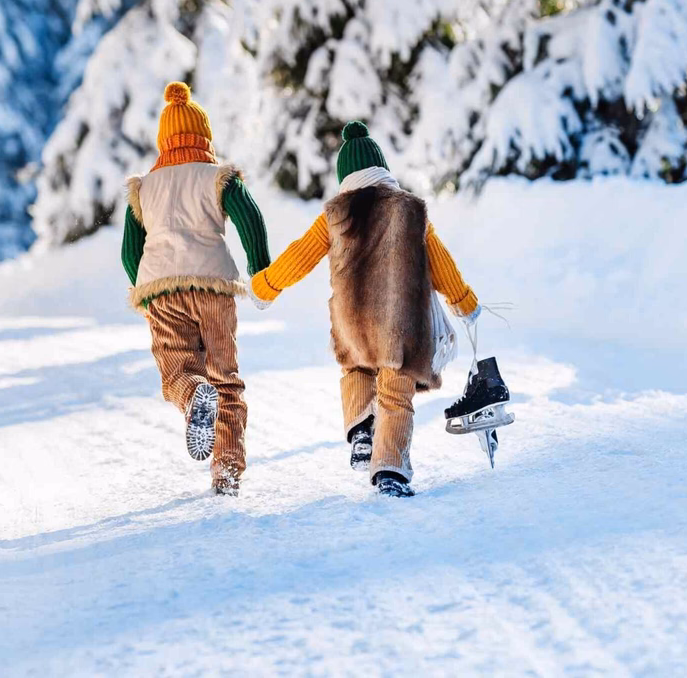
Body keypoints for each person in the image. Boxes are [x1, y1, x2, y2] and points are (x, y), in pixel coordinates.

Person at [250, 121, 481, 497]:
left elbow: (298, 257)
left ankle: (361, 429)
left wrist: (266, 285)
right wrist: (464, 302)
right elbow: (441, 264)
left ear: (345, 178)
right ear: (383, 169)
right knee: (394, 391)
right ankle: (389, 470)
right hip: (400, 325)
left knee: (356, 368)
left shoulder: (335, 215)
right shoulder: (409, 209)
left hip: (351, 322)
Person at [122, 82, 271, 496]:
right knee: (226, 379)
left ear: (162, 141)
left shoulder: (143, 188)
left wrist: (143, 288)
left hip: (162, 291)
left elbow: (130, 250)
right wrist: (259, 269)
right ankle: (226, 472)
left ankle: (191, 396)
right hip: (214, 287)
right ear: (204, 135)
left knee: (175, 372)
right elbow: (251, 220)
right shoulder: (218, 177)